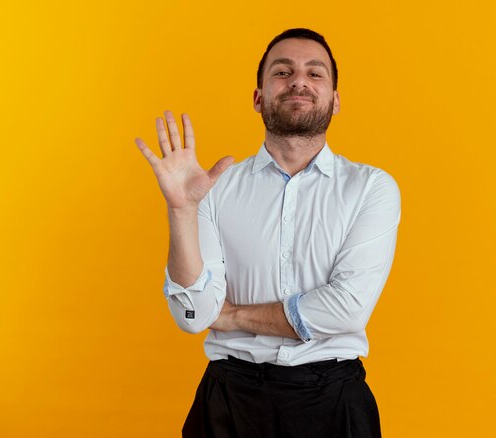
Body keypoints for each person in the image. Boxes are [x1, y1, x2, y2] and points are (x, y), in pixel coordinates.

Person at [135, 28, 401, 438]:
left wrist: (234, 316)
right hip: (228, 403)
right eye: (282, 72)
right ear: (258, 97)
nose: (299, 81)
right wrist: (182, 210)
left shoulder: (371, 188)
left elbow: (346, 308)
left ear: (335, 100)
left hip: (333, 404)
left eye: (316, 74)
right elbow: (193, 316)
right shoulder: (212, 188)